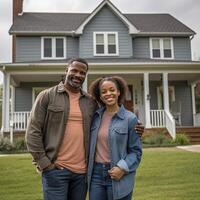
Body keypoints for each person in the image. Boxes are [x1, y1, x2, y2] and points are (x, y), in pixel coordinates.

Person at [25, 58, 144, 200]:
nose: (78, 75)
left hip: (82, 174)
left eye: (82, 72)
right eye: (74, 70)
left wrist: (137, 128)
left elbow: (115, 121)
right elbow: (33, 133)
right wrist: (45, 164)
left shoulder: (90, 102)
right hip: (56, 170)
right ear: (66, 71)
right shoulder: (47, 96)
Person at [88, 76, 142, 200]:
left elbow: (136, 152)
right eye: (104, 92)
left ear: (118, 92)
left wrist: (122, 168)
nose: (108, 94)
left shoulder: (130, 119)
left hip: (118, 174)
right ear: (100, 96)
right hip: (95, 175)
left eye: (112, 90)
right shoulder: (95, 117)